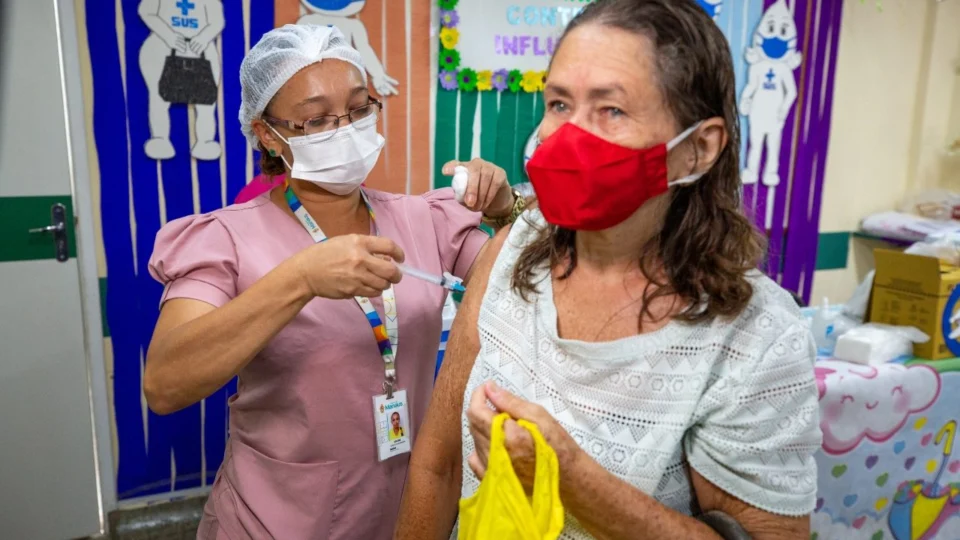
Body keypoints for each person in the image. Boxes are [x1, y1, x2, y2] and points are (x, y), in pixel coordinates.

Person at [395, 1, 821, 539]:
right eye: (559, 103)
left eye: (611, 110)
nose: (568, 136)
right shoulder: (511, 250)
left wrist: (574, 482)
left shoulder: (755, 337)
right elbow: (438, 466)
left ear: (698, 149)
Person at [145, 24, 526, 540]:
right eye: (317, 120)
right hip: (274, 519)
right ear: (268, 134)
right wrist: (301, 278)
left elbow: (533, 290)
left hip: (404, 509)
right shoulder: (224, 240)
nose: (344, 129)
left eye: (359, 108)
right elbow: (165, 384)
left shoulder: (427, 220)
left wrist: (508, 209)